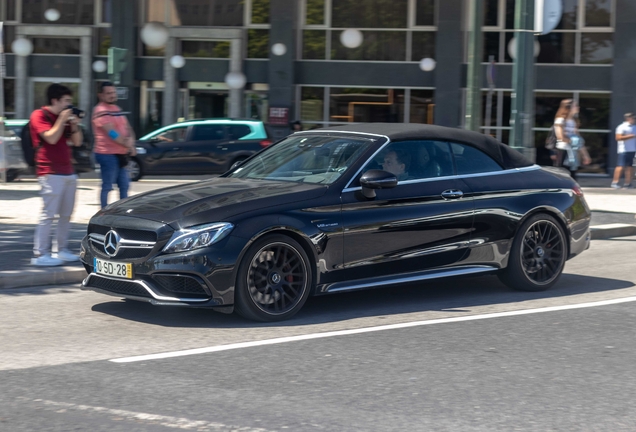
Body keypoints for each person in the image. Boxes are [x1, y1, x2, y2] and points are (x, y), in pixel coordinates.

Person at [29, 84, 84, 266]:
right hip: (49, 172)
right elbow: (50, 138)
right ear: (55, 100)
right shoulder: (39, 115)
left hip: (68, 171)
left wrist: (74, 125)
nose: (69, 105)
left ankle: (61, 250)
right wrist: (62, 118)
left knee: (66, 214)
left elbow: (77, 142)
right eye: (66, 101)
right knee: (49, 215)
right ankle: (40, 254)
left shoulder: (65, 118)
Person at [92, 81, 136, 208]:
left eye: (113, 92)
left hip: (120, 154)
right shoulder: (100, 111)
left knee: (124, 185)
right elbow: (112, 133)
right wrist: (128, 145)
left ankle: (123, 213)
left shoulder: (117, 109)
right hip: (106, 154)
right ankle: (104, 212)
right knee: (108, 185)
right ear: (100, 95)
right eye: (109, 93)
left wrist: (131, 143)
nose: (112, 95)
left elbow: (128, 128)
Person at [554, 99, 591, 180]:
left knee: (573, 175)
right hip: (563, 150)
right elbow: (560, 137)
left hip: (573, 152)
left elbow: (579, 140)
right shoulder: (560, 120)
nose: (578, 107)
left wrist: (585, 155)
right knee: (562, 174)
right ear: (568, 108)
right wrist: (573, 141)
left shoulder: (574, 121)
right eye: (575, 106)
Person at [611, 113, 636, 189]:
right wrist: (631, 136)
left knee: (629, 167)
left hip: (632, 150)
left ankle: (628, 183)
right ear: (628, 118)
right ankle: (615, 182)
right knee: (620, 166)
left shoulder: (634, 127)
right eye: (633, 118)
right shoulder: (622, 127)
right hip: (623, 150)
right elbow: (618, 137)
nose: (634, 120)